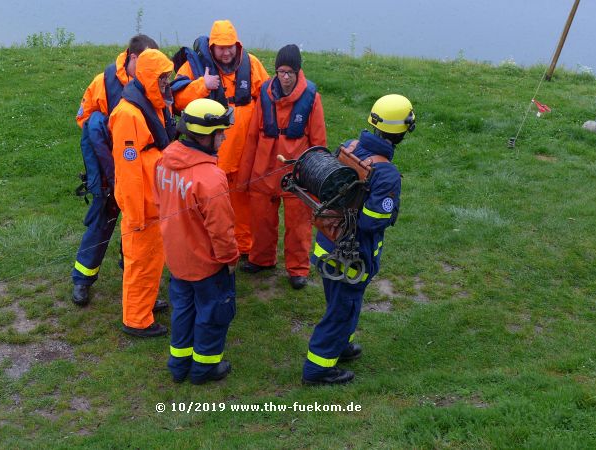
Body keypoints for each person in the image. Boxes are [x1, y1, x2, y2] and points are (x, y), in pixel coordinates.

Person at [302, 94, 416, 385]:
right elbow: (372, 221)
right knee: (343, 309)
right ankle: (318, 368)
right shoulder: (386, 172)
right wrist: (390, 212)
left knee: (341, 302)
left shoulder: (350, 147)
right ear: (402, 131)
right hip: (351, 256)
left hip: (327, 243)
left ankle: (341, 345)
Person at [154, 98, 239, 384]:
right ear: (205, 136)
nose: (224, 137)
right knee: (212, 317)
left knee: (182, 313)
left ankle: (179, 366)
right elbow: (222, 229)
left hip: (177, 260)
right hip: (207, 264)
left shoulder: (164, 161)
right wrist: (229, 260)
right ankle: (204, 369)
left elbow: (159, 203)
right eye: (220, 132)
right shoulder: (211, 178)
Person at [71, 34, 159, 307]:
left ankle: (138, 287)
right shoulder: (102, 83)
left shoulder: (151, 82)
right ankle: (82, 280)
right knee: (102, 222)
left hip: (139, 169)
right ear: (132, 58)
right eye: (144, 61)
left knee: (136, 229)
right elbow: (85, 119)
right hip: (110, 167)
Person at [172, 20, 269, 256]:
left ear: (237, 45)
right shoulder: (194, 67)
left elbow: (267, 96)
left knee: (242, 200)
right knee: (210, 203)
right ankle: (207, 245)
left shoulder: (252, 64)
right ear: (212, 46)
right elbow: (177, 101)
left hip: (243, 151)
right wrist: (203, 86)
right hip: (209, 154)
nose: (226, 52)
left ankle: (243, 247)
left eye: (230, 47)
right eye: (221, 47)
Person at [236, 44, 327, 290]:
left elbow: (318, 143)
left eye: (290, 72)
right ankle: (261, 259)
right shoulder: (264, 93)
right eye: (281, 71)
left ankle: (297, 269)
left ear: (298, 72)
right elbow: (253, 137)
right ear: (276, 72)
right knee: (260, 220)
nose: (285, 77)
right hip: (263, 171)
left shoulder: (311, 97)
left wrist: (318, 180)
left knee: (298, 224)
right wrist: (244, 178)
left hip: (297, 175)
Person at [109, 49, 177, 337]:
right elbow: (127, 169)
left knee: (152, 259)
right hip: (142, 206)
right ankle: (136, 320)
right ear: (150, 78)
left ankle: (146, 304)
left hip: (155, 199)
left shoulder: (154, 104)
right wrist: (135, 213)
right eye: (162, 78)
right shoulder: (127, 115)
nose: (166, 83)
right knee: (140, 262)